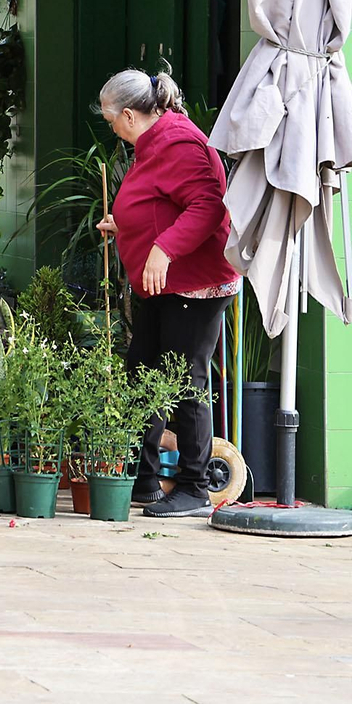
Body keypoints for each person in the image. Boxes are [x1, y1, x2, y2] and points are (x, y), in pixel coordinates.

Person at [95, 68, 238, 519]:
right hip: (163, 284)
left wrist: (162, 249)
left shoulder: (177, 141)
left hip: (194, 283)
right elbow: (162, 203)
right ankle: (146, 478)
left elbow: (208, 205)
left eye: (112, 119)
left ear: (132, 116)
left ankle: (195, 487)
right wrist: (129, 225)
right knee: (145, 374)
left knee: (183, 379)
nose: (112, 127)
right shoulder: (153, 142)